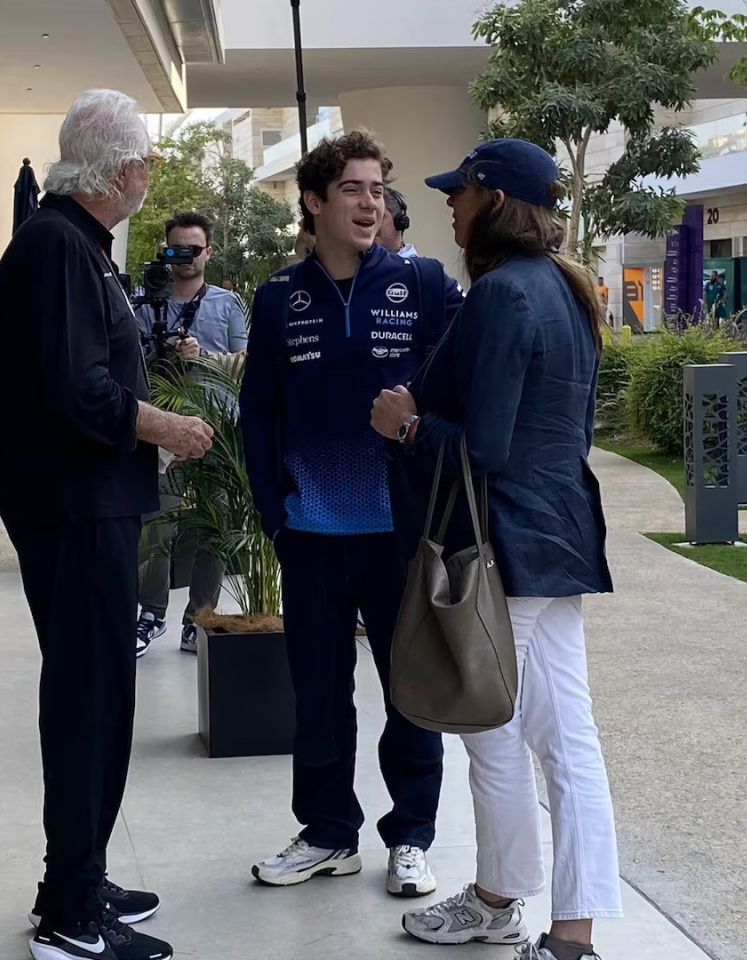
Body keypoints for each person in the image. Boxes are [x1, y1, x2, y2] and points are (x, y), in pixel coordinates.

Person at [0, 88, 212, 960]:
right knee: (88, 698)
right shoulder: (58, 245)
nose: (151, 170)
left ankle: (79, 875)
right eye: (145, 157)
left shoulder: (72, 243)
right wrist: (168, 427)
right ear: (118, 172)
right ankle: (70, 916)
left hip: (85, 501)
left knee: (100, 691)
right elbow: (79, 390)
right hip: (74, 504)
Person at [374, 139, 620, 960]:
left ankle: (525, 914)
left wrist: (407, 423)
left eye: (463, 191)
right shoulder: (564, 289)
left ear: (495, 200)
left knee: (506, 733)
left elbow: (485, 446)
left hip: (505, 542)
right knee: (548, 736)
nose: (450, 203)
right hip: (553, 534)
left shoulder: (503, 295)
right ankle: (539, 917)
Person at [240, 131, 461, 897]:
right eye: (353, 190)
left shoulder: (424, 285)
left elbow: (455, 399)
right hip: (309, 533)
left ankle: (412, 836)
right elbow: (257, 413)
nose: (370, 204)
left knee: (411, 693)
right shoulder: (277, 299)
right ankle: (329, 833)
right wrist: (275, 514)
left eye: (377, 190)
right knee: (318, 692)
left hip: (400, 534)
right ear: (313, 201)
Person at [134, 211, 247, 656]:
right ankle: (151, 614)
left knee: (213, 527)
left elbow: (244, 361)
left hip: (219, 426)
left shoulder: (228, 304)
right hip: (162, 427)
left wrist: (204, 357)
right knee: (155, 524)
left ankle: (200, 617)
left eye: (193, 250)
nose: (184, 258)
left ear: (208, 253)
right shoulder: (144, 305)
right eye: (175, 250)